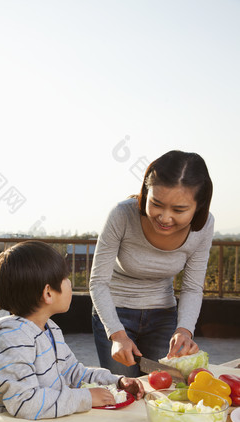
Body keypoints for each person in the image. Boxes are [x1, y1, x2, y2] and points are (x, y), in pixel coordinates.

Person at [0, 241, 144, 420]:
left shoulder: (50, 329)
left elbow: (73, 373)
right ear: (48, 293)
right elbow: (26, 403)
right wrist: (86, 398)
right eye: (65, 278)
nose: (70, 283)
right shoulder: (12, 338)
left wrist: (117, 382)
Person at [90, 150, 214, 377]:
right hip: (114, 313)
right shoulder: (121, 215)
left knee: (165, 389)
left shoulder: (204, 227)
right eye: (156, 204)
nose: (165, 218)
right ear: (146, 193)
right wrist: (117, 335)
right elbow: (98, 283)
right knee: (126, 391)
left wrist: (184, 330)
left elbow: (192, 287)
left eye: (179, 210)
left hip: (163, 315)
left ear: (199, 205)